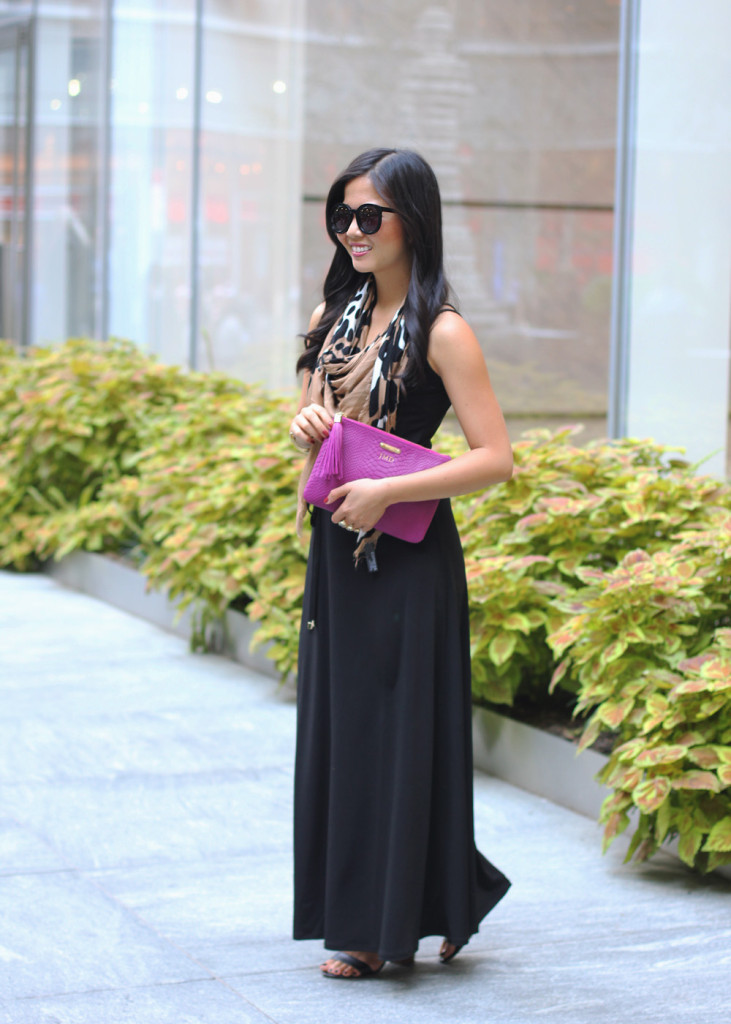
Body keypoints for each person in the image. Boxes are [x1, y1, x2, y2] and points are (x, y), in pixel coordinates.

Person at [289, 148, 513, 980]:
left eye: (367, 216)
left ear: (411, 222)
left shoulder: (443, 331)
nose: (351, 231)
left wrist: (389, 491)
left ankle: (373, 929)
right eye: (340, 216)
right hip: (337, 546)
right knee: (346, 731)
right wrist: (305, 425)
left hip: (408, 554)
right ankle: (449, 891)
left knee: (398, 731)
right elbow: (312, 416)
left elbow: (494, 459)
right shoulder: (333, 315)